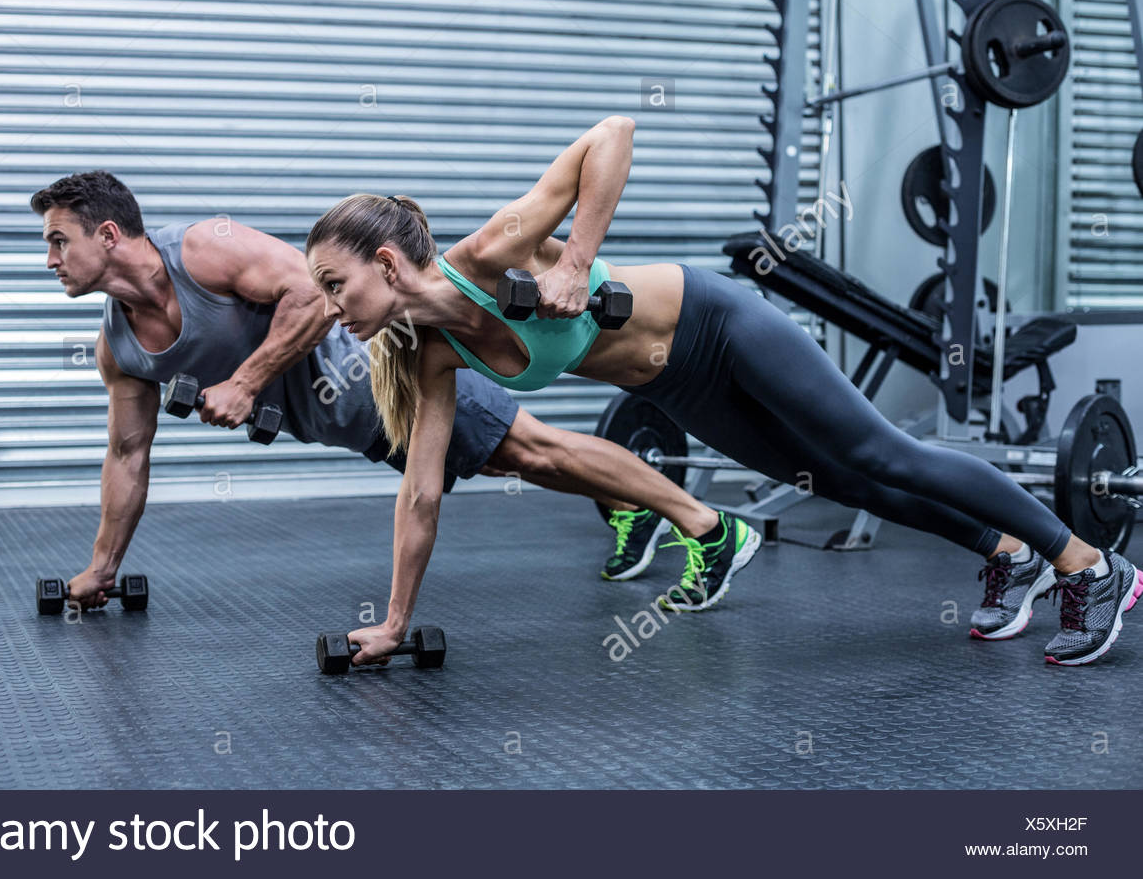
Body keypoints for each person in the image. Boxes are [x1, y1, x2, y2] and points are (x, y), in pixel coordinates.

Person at [303, 116, 1143, 667]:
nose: (332, 311)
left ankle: (1090, 566)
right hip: (679, 385)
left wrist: (571, 260)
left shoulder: (490, 251)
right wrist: (394, 620)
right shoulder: (428, 358)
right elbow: (420, 493)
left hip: (718, 322)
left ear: (385, 265)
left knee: (879, 451)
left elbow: (613, 134)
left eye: (334, 286)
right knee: (842, 481)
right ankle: (1008, 554)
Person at [29, 170, 727, 608]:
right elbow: (126, 454)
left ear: (111, 234)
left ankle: (703, 523)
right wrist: (102, 568)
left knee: (531, 450)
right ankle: (630, 504)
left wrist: (246, 381)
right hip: (356, 425)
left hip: (382, 369)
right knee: (509, 459)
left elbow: (310, 292)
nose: (50, 258)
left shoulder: (205, 250)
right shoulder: (117, 347)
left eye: (59, 240)